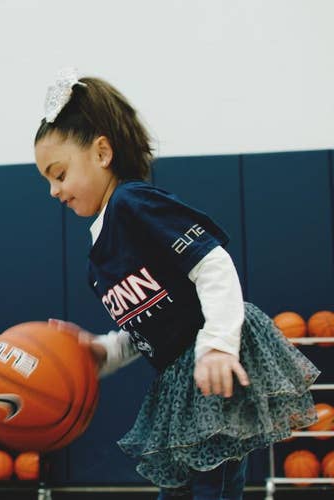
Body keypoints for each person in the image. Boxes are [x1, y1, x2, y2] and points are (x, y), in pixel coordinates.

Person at [34, 68, 319, 499]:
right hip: (178, 376)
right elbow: (146, 329)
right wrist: (102, 352)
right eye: (47, 181)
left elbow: (213, 264)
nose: (54, 191)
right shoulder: (99, 255)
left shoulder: (134, 203)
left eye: (59, 174)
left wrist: (220, 344)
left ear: (102, 152)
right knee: (179, 489)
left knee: (213, 484)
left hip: (212, 361)